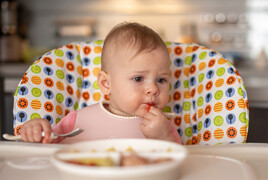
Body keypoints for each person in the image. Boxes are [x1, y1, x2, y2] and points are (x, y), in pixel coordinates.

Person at [19, 22, 182, 144]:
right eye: (138, 78)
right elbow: (46, 149)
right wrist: (37, 132)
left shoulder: (163, 127)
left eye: (161, 80)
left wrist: (164, 138)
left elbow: (182, 163)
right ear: (106, 84)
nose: (153, 89)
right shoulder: (77, 121)